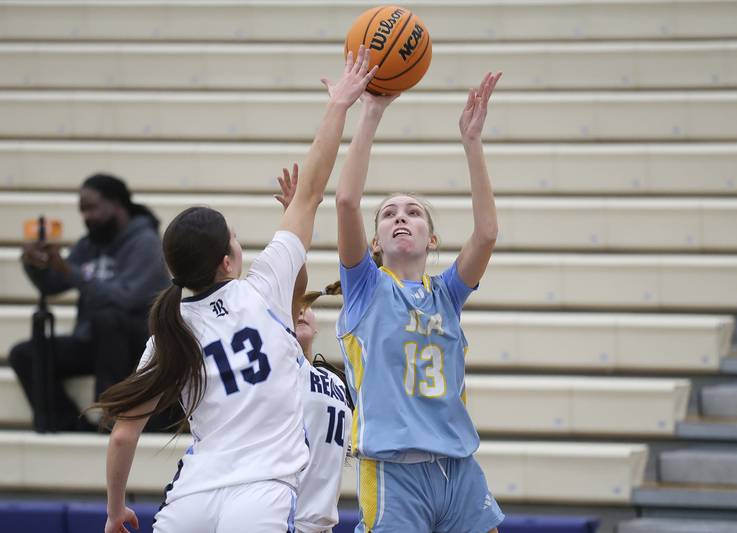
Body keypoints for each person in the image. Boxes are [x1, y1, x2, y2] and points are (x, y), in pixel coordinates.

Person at [97, 47, 376, 533]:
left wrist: (115, 509)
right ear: (228, 261)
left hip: (192, 497)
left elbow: (123, 436)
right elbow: (312, 190)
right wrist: (339, 105)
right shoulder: (264, 288)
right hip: (262, 493)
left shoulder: (168, 331)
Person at [334, 72, 505, 532]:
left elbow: (487, 234)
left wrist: (472, 142)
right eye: (389, 214)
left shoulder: (446, 295)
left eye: (413, 212)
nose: (401, 218)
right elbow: (347, 201)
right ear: (375, 242)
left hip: (458, 467)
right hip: (393, 470)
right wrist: (371, 112)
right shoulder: (366, 287)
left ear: (432, 240)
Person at [10, 173, 169, 431]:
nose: (86, 217)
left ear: (117, 204)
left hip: (138, 346)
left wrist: (70, 271)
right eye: (82, 210)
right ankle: (68, 424)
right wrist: (35, 264)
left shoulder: (146, 243)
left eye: (92, 208)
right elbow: (53, 284)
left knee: (108, 319)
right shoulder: (88, 245)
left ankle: (112, 419)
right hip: (95, 340)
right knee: (26, 355)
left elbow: (125, 298)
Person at [275, 164, 353, 533]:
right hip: (277, 518)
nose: (302, 310)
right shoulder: (274, 368)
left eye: (308, 307)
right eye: (295, 308)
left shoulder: (337, 380)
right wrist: (295, 217)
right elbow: (291, 281)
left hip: (321, 522)